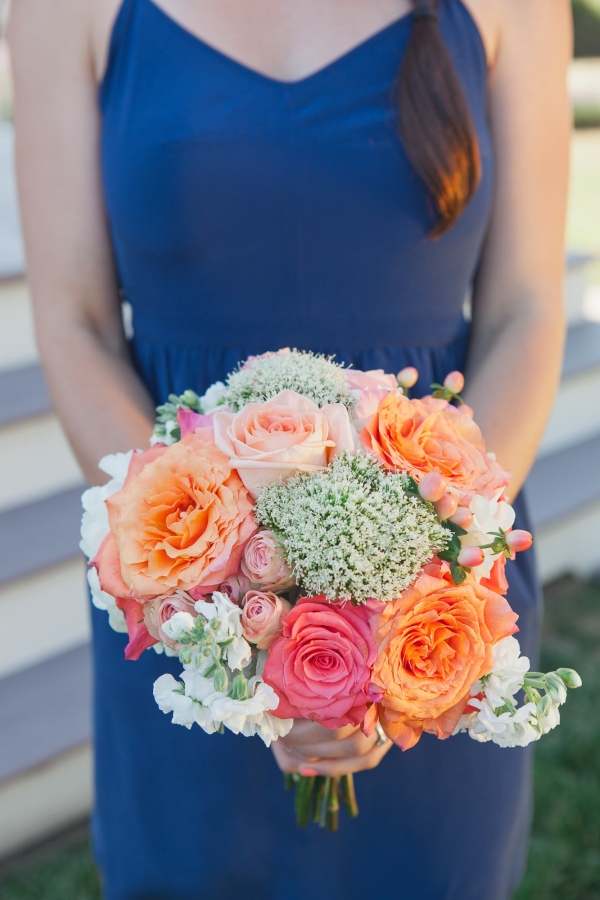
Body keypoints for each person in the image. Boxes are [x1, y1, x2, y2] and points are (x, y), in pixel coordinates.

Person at [8, 0, 571, 897]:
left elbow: (528, 310)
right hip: (185, 601)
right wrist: (231, 610)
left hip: (437, 585)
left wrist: (411, 589)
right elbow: (73, 323)